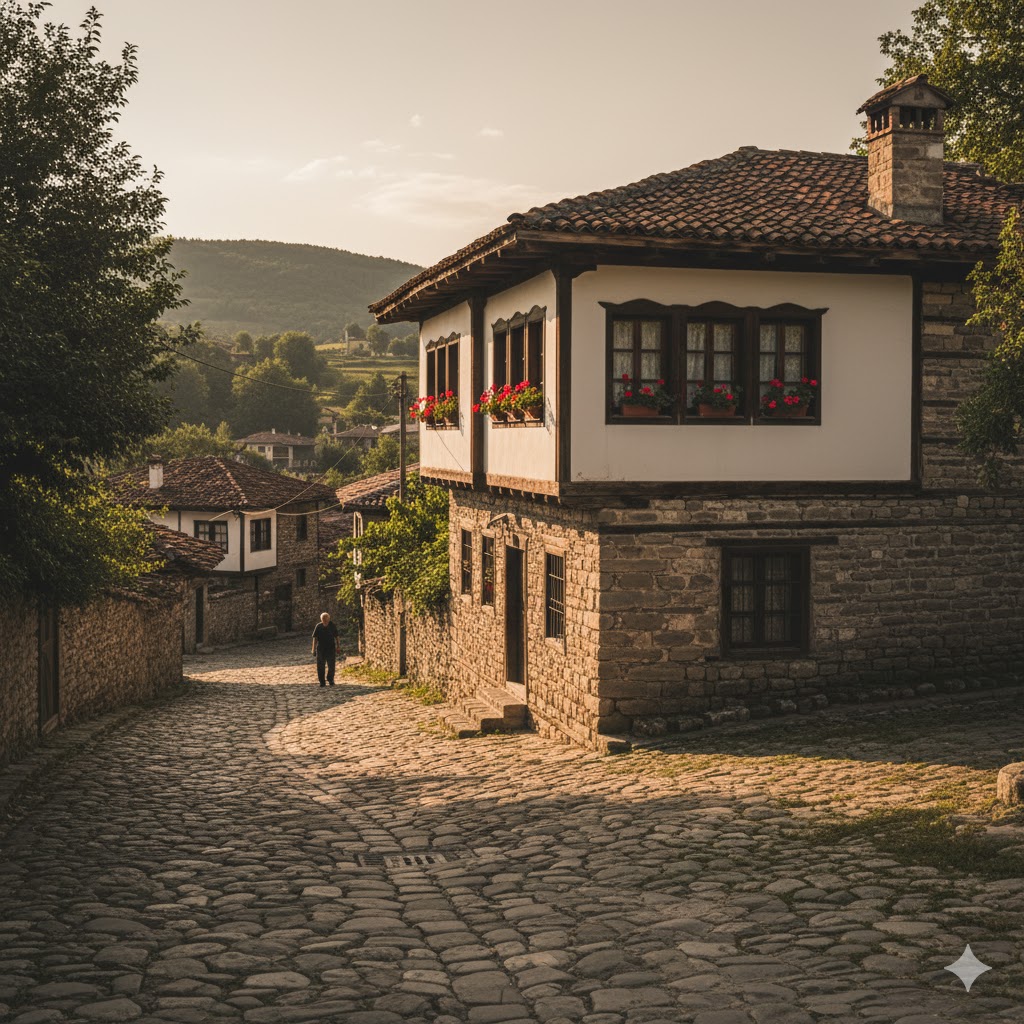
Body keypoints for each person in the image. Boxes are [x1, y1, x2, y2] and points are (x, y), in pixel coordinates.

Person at [311, 612, 340, 686]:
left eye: (326, 619)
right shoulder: (318, 626)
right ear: (321, 619)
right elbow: (315, 638)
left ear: (329, 619)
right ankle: (322, 681)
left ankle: (330, 679)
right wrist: (313, 649)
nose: (325, 620)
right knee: (320, 665)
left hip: (330, 648)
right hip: (321, 648)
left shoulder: (332, 626)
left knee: (331, 665)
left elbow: (337, 636)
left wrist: (338, 646)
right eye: (324, 619)